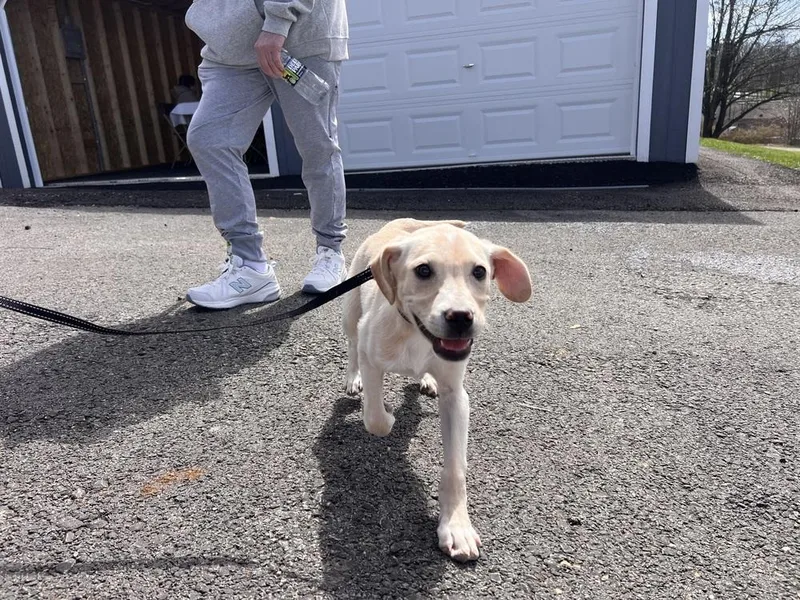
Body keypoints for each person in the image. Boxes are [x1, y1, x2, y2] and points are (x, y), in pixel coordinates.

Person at [183, 0, 349, 309]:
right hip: (231, 54)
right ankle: (250, 267)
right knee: (210, 138)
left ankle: (330, 251)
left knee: (317, 147)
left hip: (298, 39)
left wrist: (276, 23)